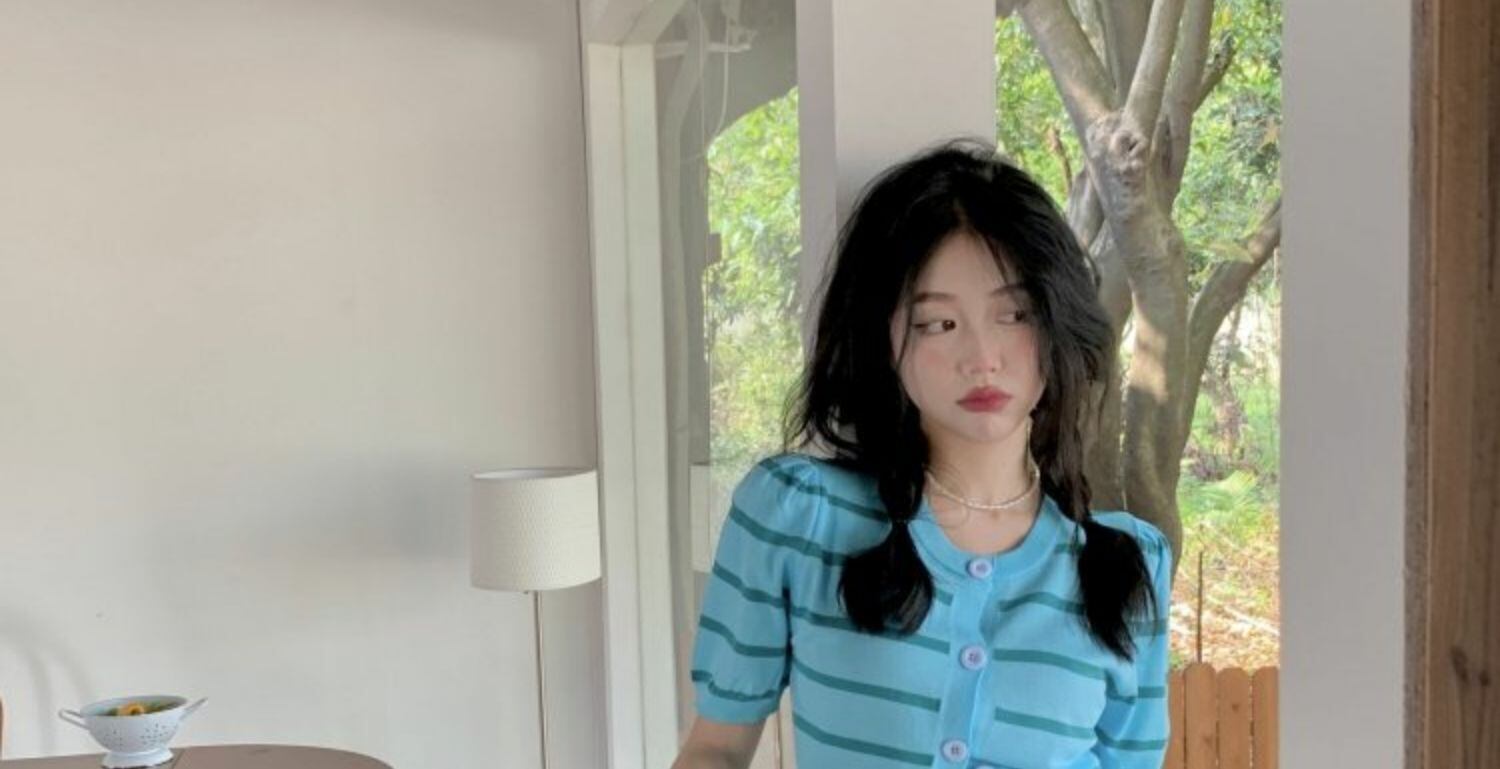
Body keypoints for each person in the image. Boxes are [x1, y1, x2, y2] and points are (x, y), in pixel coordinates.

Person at [671, 138, 1173, 769]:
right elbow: (716, 748)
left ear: (1056, 322)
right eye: (938, 323)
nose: (982, 357)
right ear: (882, 340)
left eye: (1015, 314)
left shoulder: (1128, 569)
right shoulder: (799, 516)